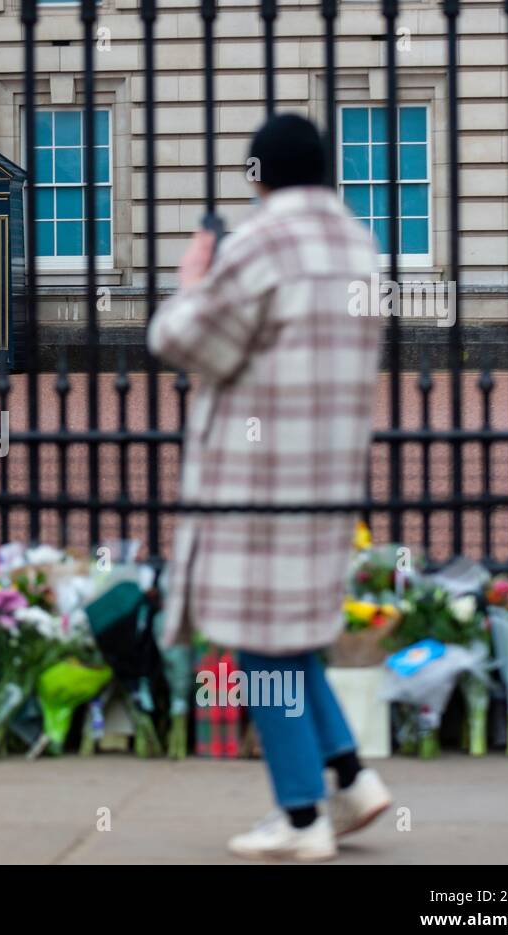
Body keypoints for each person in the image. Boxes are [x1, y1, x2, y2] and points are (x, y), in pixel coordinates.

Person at [147, 114, 392, 862]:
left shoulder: (263, 239)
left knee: (258, 643)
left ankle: (298, 815)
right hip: (326, 472)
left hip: (256, 475)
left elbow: (184, 342)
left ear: (259, 175)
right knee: (290, 634)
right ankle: (350, 778)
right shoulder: (359, 243)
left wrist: (193, 279)